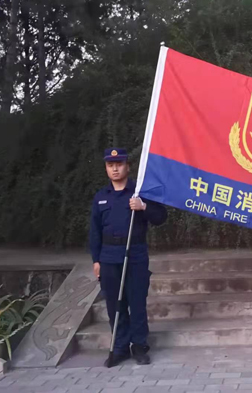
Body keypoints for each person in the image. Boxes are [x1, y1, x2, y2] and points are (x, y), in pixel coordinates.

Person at [89, 147, 168, 367]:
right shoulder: (101, 197)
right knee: (115, 305)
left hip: (135, 255)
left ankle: (139, 346)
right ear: (106, 168)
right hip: (108, 257)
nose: (115, 169)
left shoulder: (140, 192)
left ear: (128, 166)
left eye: (119, 164)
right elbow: (94, 232)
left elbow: (161, 217)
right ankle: (120, 348)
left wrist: (143, 207)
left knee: (137, 303)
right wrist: (96, 260)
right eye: (110, 165)